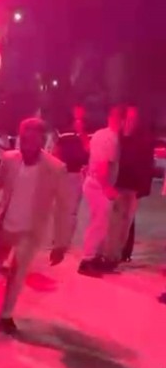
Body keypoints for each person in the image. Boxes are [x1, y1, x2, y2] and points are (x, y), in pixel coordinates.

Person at [0, 118, 71, 334]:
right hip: (5, 225)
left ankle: (6, 315)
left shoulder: (56, 169)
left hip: (30, 231)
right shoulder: (9, 160)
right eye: (24, 139)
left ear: (41, 140)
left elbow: (63, 208)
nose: (26, 144)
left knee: (17, 274)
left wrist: (61, 243)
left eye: (32, 140)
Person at [104, 105, 154, 267]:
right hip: (117, 185)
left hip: (132, 187)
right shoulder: (117, 137)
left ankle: (118, 253)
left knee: (125, 223)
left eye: (133, 118)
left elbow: (147, 164)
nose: (130, 121)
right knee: (114, 222)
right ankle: (110, 255)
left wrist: (144, 187)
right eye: (128, 117)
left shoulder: (142, 139)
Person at [78, 105, 123, 277]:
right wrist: (107, 187)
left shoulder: (99, 134)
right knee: (98, 224)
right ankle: (87, 260)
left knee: (99, 223)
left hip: (93, 181)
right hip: (99, 184)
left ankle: (94, 257)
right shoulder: (111, 138)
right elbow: (103, 163)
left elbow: (89, 150)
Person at [53, 104, 89, 243]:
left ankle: (65, 239)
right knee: (60, 208)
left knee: (71, 210)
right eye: (76, 115)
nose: (78, 118)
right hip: (63, 174)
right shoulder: (64, 134)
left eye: (81, 115)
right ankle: (58, 237)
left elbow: (88, 152)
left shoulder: (86, 134)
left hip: (76, 174)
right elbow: (56, 151)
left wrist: (82, 134)